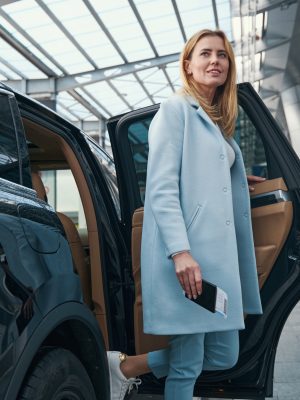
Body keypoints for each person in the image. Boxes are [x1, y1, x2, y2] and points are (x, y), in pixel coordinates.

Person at [107, 28, 264, 400]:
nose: (215, 61)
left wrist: (238, 179)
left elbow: (205, 179)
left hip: (216, 262)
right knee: (188, 363)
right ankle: (135, 374)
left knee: (224, 354)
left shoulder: (215, 122)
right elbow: (160, 189)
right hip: (189, 257)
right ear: (189, 65)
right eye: (206, 54)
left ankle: (125, 368)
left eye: (222, 55)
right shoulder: (176, 110)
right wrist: (180, 252)